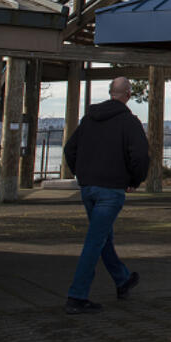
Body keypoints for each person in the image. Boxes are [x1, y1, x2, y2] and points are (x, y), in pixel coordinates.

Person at [62, 76, 149, 314]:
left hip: (88, 188)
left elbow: (70, 149)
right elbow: (140, 155)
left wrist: (81, 173)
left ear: (111, 92)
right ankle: (77, 296)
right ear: (128, 94)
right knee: (94, 241)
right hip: (111, 190)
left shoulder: (89, 119)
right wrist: (134, 180)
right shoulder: (129, 122)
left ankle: (122, 280)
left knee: (102, 238)